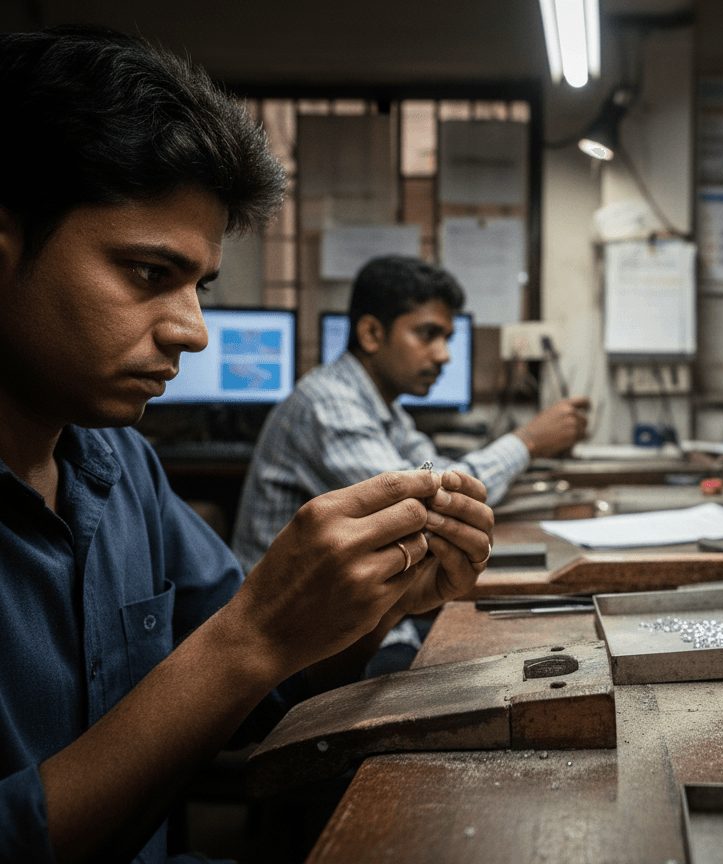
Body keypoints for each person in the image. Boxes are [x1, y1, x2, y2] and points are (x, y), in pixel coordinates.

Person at [0, 26, 494, 864]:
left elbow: (273, 697)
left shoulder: (119, 467)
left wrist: (372, 606)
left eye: (200, 286)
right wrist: (253, 634)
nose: (193, 331)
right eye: (149, 274)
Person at [231, 255, 590, 574]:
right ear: (372, 333)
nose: (444, 355)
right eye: (428, 334)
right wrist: (528, 442)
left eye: (447, 338)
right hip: (293, 635)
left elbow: (438, 476)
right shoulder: (327, 402)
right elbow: (422, 506)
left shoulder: (385, 406)